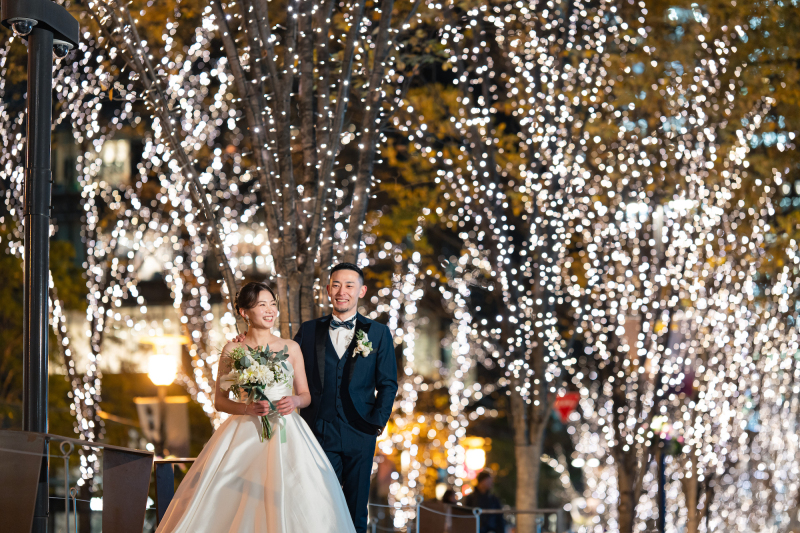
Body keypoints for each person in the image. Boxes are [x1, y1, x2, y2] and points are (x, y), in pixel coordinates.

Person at [156, 281, 356, 533]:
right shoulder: (233, 349)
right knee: (236, 498)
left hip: (288, 432)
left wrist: (294, 401)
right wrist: (247, 409)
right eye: (262, 305)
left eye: (272, 304)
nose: (270, 310)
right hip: (244, 431)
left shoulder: (291, 347)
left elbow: (305, 395)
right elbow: (220, 400)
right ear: (244, 312)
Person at [293, 262, 399, 533]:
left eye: (349, 285)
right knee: (318, 505)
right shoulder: (308, 331)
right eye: (336, 285)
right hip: (318, 431)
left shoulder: (378, 333)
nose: (343, 291)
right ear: (328, 290)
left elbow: (388, 384)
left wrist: (375, 424)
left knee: (355, 510)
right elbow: (284, 366)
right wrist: (247, 343)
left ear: (361, 291)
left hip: (361, 433)